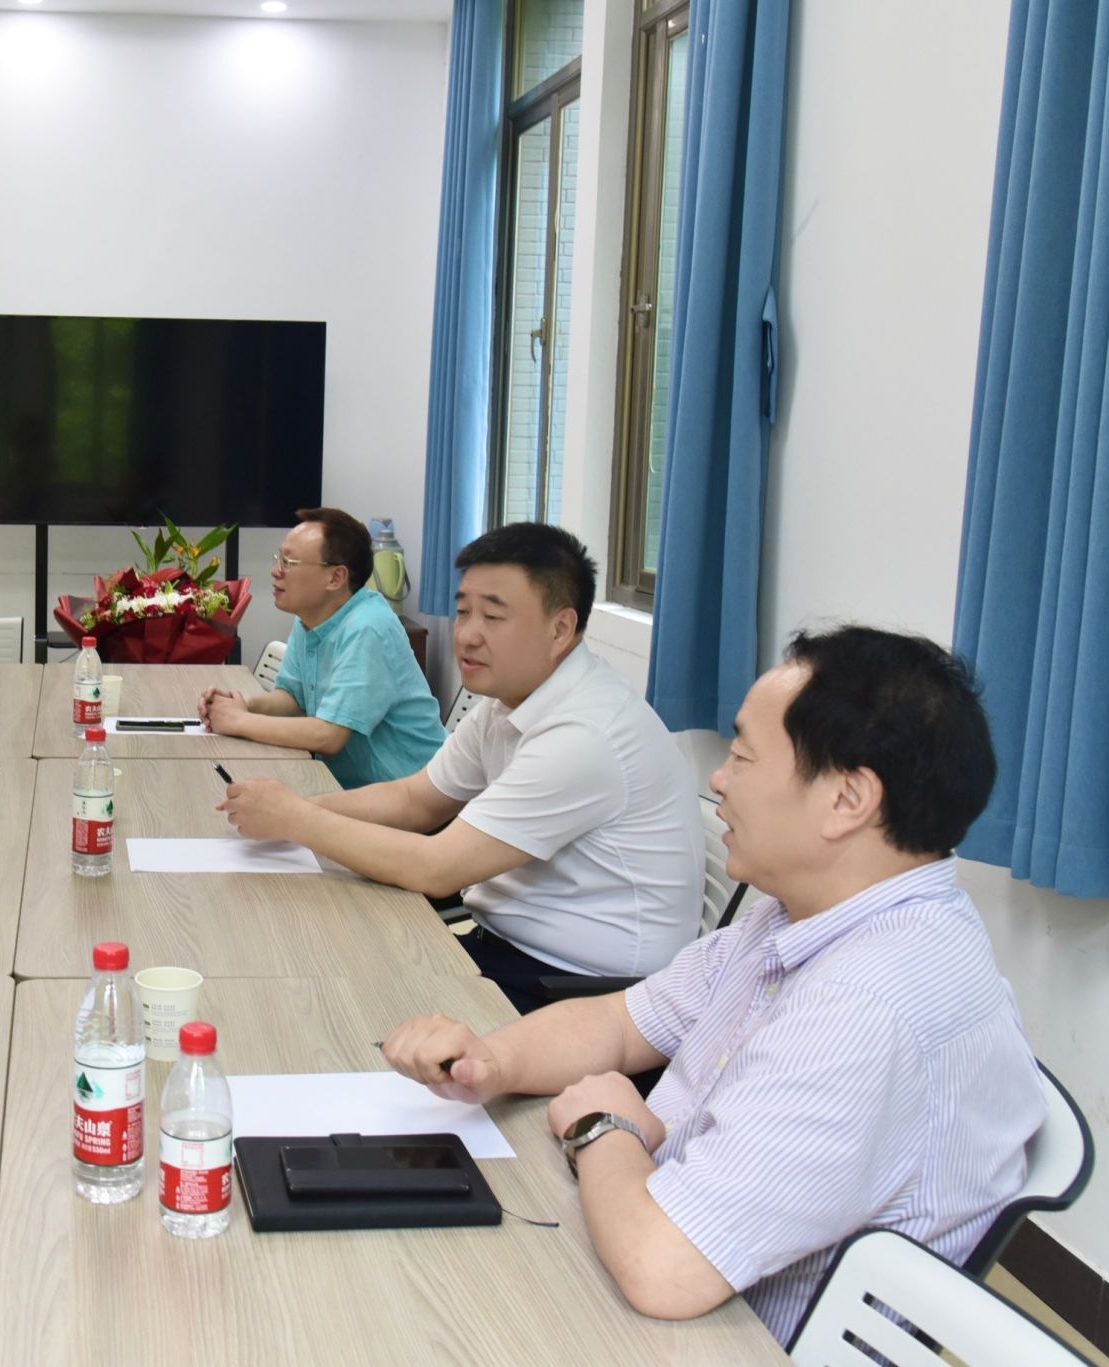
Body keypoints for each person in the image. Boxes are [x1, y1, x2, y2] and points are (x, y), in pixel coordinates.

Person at [379, 626, 1044, 1346]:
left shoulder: (869, 1006)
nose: (719, 779)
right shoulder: (806, 912)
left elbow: (663, 1269)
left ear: (848, 798)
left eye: (745, 756)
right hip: (641, 1243)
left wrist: (603, 1127)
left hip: (723, 1334)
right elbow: (622, 1024)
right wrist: (493, 1061)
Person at [220, 523, 699, 1010]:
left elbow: (437, 869)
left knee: (329, 999)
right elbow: (415, 800)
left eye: (493, 616)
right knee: (311, 959)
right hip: (507, 948)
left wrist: (297, 819)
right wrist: (290, 809)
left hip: (584, 991)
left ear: (560, 629)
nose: (467, 635)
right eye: (464, 611)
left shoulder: (585, 734)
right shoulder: (508, 702)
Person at [197, 507, 447, 788]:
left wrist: (239, 721)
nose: (275, 571)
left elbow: (328, 736)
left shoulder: (368, 628)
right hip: (349, 785)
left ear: (335, 578)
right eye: (279, 559)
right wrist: (242, 704)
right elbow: (294, 699)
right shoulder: (310, 618)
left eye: (289, 562)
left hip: (414, 792)